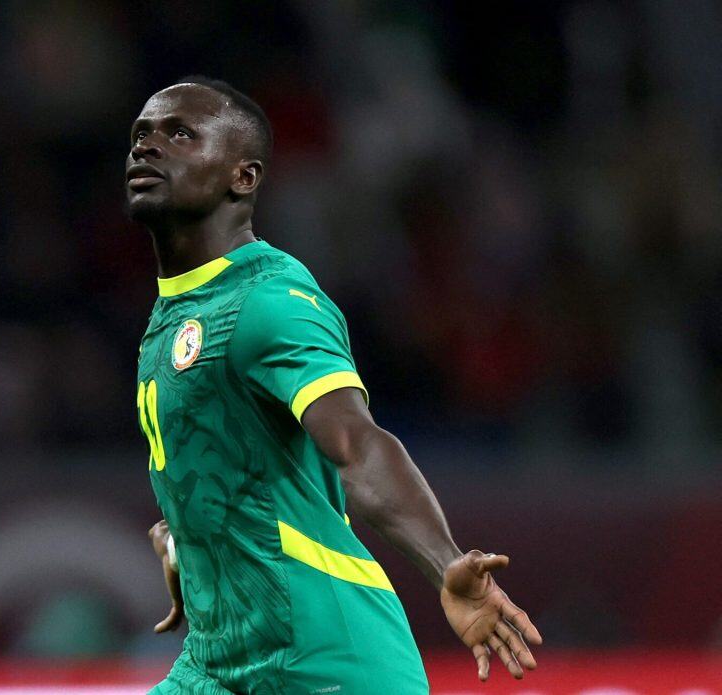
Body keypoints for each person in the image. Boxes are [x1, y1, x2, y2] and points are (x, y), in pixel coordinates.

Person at [129, 76, 541, 695]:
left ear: (244, 177)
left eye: (179, 134)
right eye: (141, 136)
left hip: (326, 662)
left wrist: (446, 563)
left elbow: (354, 444)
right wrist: (192, 538)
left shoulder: (268, 299)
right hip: (219, 664)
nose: (147, 147)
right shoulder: (172, 318)